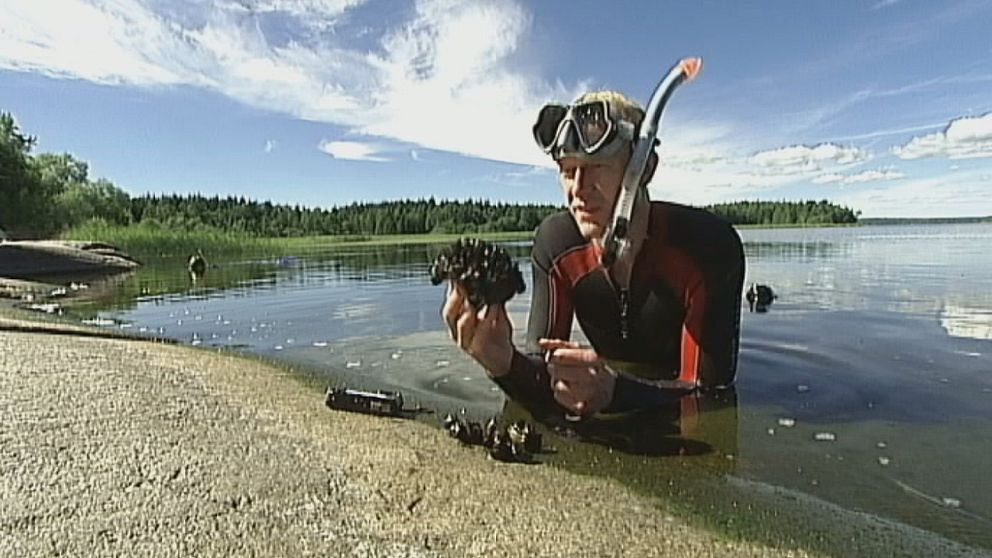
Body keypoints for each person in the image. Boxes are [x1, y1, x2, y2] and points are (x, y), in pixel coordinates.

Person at [442, 90, 744, 421]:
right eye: (567, 170)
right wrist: (504, 363)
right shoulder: (555, 245)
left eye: (596, 166)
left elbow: (711, 394)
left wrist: (615, 393)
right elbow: (544, 371)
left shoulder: (708, 248)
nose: (578, 188)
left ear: (644, 169)